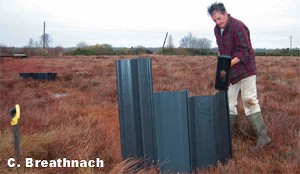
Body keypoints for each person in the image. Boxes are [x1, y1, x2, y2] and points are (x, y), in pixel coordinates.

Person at [207, 2, 273, 152]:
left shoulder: (239, 27)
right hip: (231, 71)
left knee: (249, 101)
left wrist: (227, 65)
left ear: (225, 13)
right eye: (214, 20)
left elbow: (244, 52)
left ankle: (264, 139)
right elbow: (222, 50)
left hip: (246, 69)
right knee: (228, 103)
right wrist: (222, 64)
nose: (218, 22)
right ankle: (232, 133)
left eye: (219, 18)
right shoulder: (217, 30)